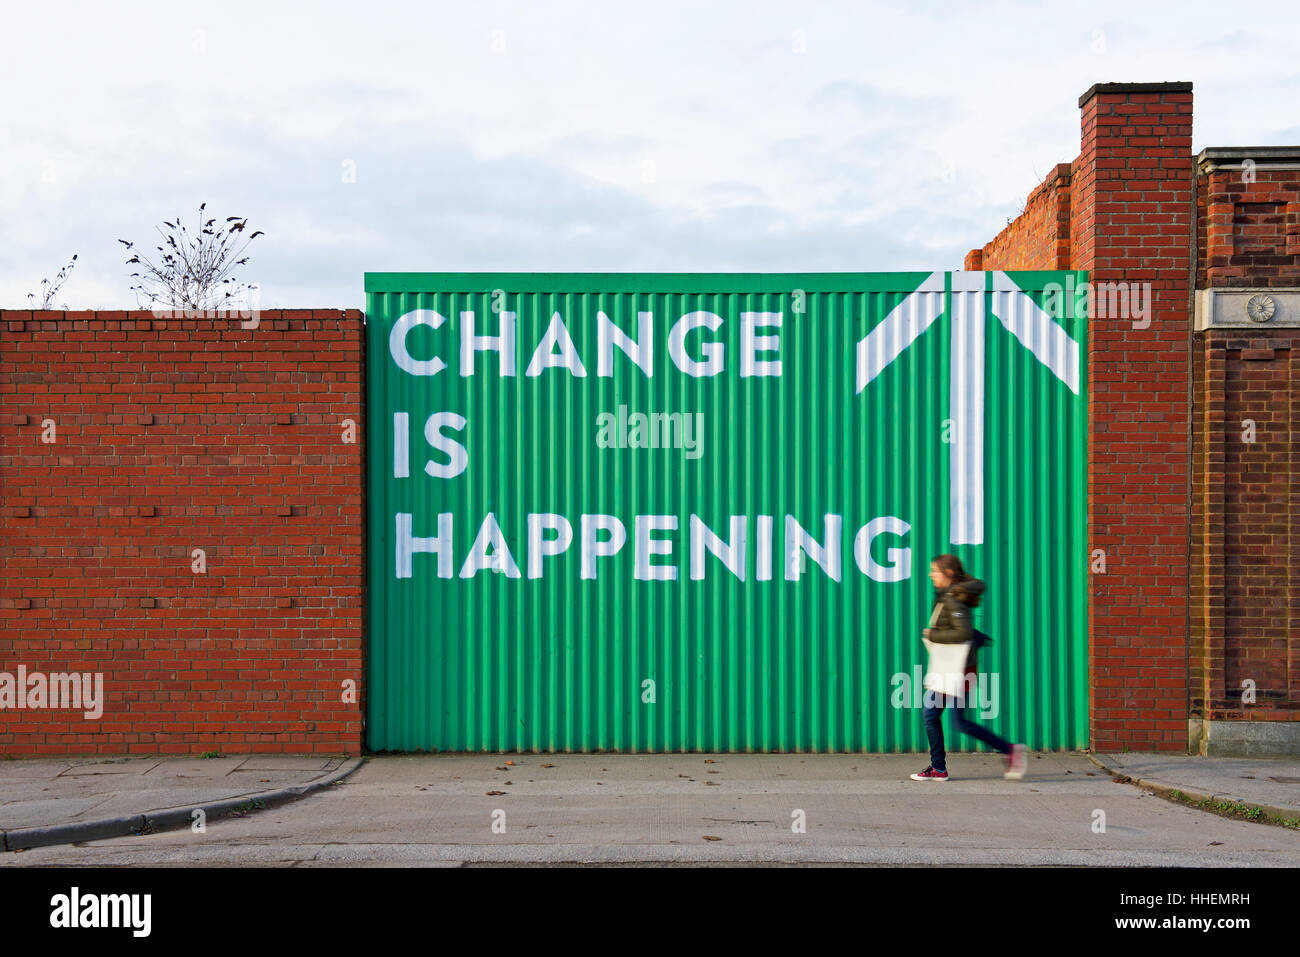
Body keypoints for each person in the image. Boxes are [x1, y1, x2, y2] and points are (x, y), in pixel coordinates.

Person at [909, 554, 1027, 782]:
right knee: (931, 714)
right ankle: (938, 769)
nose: (931, 574)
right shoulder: (950, 594)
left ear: (949, 574)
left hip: (958, 670)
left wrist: (933, 634)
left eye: (935, 571)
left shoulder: (953, 598)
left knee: (955, 721)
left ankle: (1011, 750)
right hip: (951, 668)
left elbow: (962, 633)